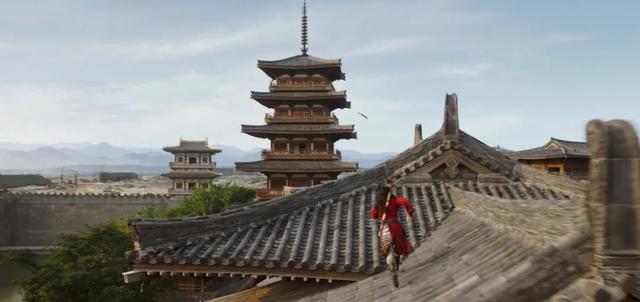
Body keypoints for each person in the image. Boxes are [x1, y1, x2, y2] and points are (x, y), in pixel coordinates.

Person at [370, 181, 414, 263]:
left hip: (384, 228)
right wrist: (410, 211)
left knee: (386, 243)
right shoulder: (394, 201)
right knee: (401, 240)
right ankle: (401, 253)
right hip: (395, 226)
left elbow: (373, 215)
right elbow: (404, 201)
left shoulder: (378, 205)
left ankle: (387, 253)